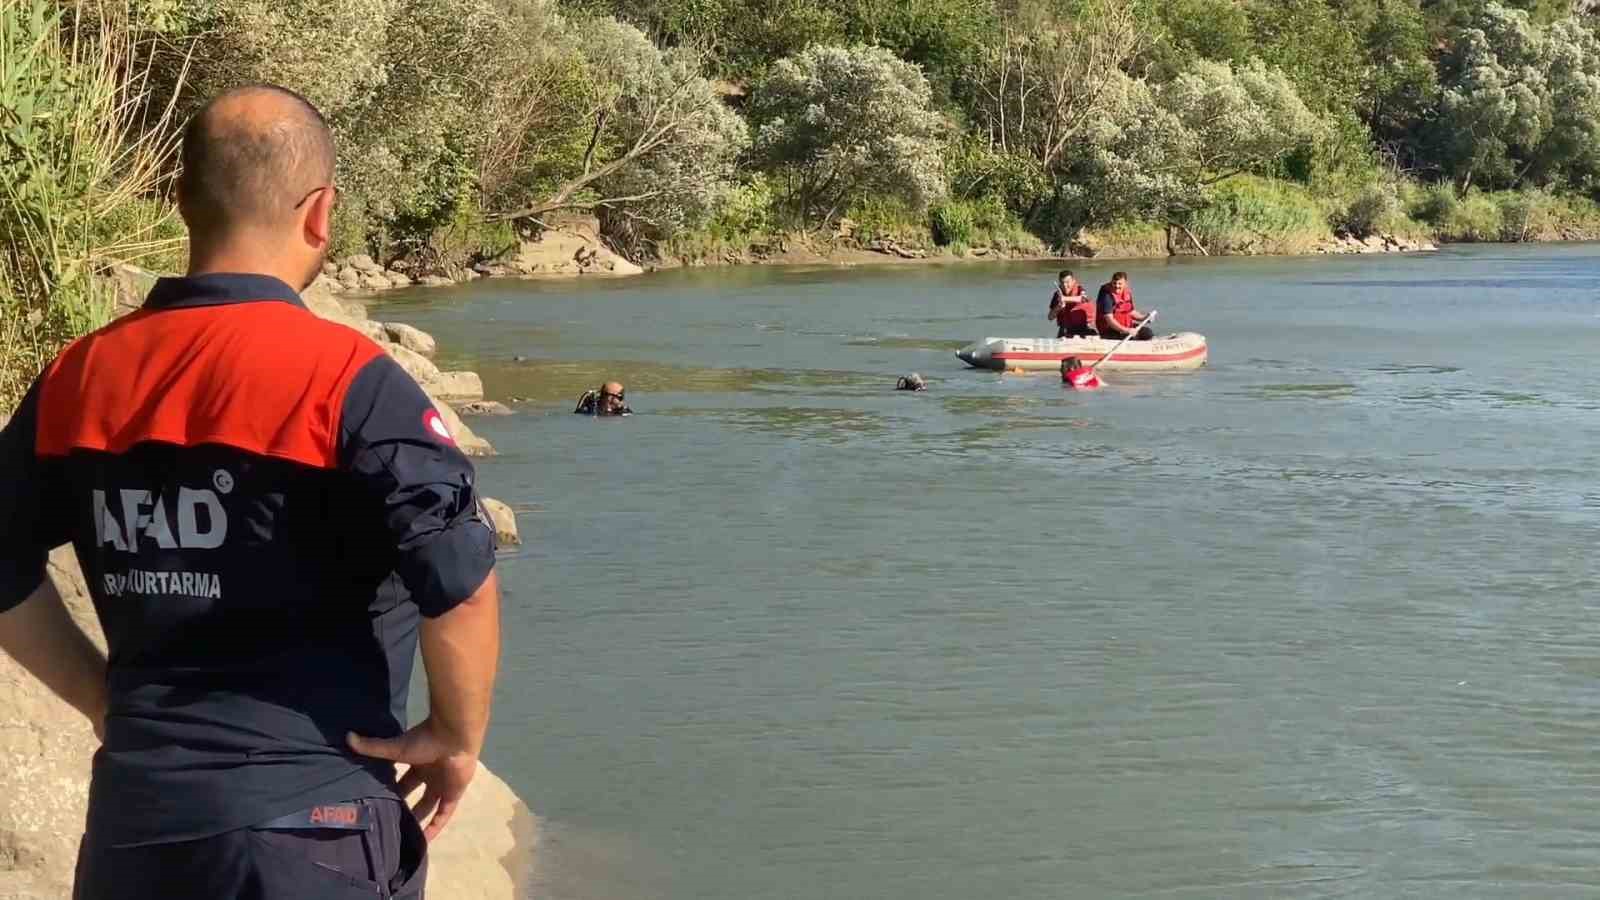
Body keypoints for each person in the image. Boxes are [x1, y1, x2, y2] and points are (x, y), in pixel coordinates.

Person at [0, 84, 501, 900]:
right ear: (320, 213)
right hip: (314, 826)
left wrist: (104, 701)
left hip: (139, 826)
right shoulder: (350, 384)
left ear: (182, 205)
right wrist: (455, 736)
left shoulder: (77, 377)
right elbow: (462, 585)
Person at [1095, 271, 1153, 341]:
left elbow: (1131, 312)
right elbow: (1109, 320)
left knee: (1147, 333)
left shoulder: (1126, 293)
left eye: (1120, 284)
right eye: (1114, 283)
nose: (1117, 286)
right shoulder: (1106, 296)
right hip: (1110, 330)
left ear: (1125, 283)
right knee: (1132, 337)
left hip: (1125, 326)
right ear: (1111, 282)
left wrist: (1144, 318)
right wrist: (1126, 330)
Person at [1047, 269, 1096, 338]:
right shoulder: (1057, 295)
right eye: (1062, 282)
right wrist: (1059, 306)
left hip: (1085, 327)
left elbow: (1082, 298)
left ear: (1073, 281)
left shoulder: (1080, 290)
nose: (1064, 285)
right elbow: (1050, 317)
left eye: (1067, 282)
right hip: (1066, 328)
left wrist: (1065, 299)